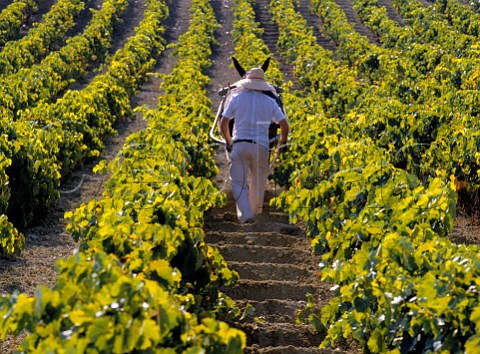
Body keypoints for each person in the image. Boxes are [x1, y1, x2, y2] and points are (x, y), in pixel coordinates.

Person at [220, 67, 289, 224]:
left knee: (239, 182)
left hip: (240, 144)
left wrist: (229, 141)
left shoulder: (236, 98)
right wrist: (280, 144)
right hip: (261, 147)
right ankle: (255, 214)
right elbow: (284, 125)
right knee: (258, 183)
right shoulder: (270, 101)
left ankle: (246, 216)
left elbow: (224, 123)